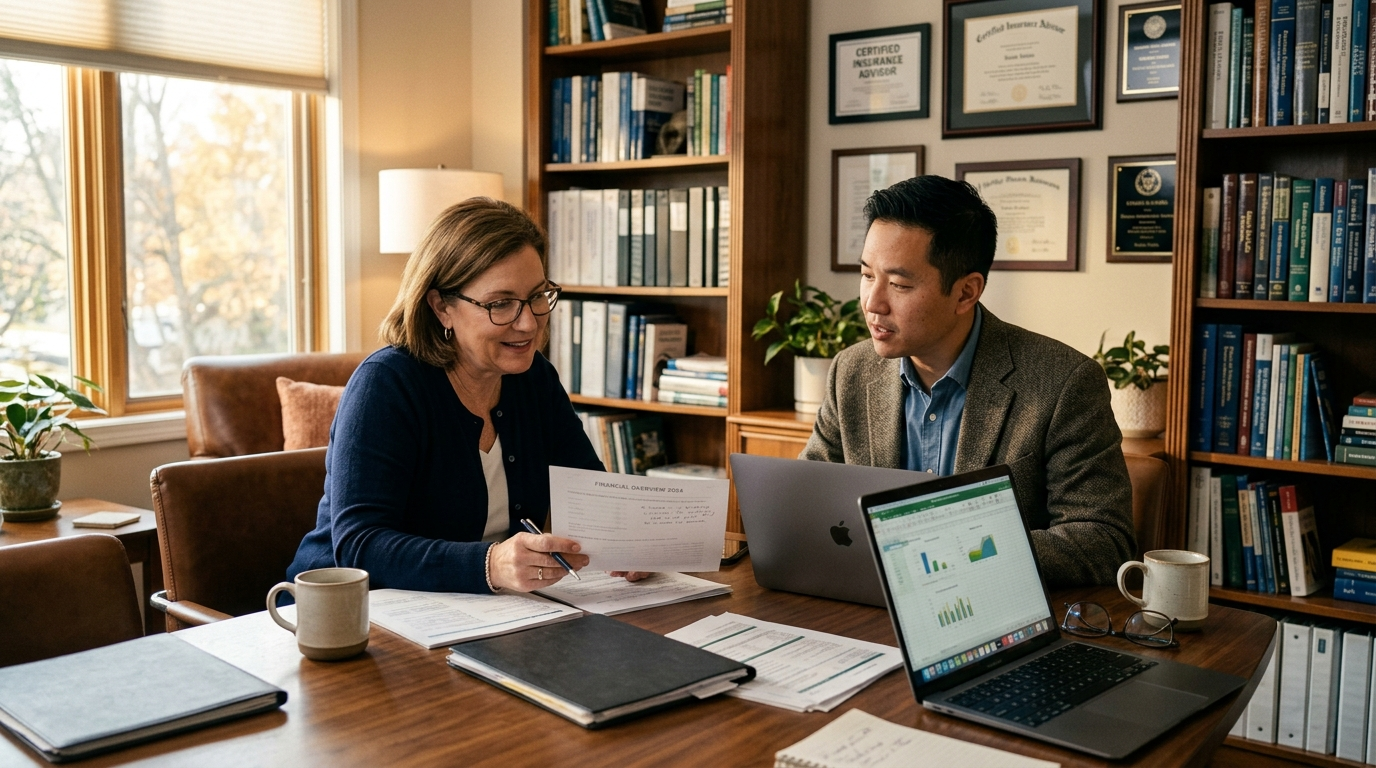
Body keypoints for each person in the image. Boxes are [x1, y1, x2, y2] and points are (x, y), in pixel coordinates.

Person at [287, 198, 644, 593]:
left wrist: (627, 540)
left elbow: (588, 491)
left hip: (479, 613)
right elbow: (359, 547)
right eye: (501, 304)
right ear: (441, 307)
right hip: (347, 616)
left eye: (538, 296)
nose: (528, 323)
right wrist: (490, 565)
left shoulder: (533, 377)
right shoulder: (385, 385)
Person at [801, 175, 1135, 587]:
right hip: (868, 606)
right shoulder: (851, 371)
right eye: (868, 275)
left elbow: (1103, 539)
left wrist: (950, 552)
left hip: (992, 615)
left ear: (966, 293)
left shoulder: (1064, 382)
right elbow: (809, 498)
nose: (872, 303)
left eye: (900, 284)